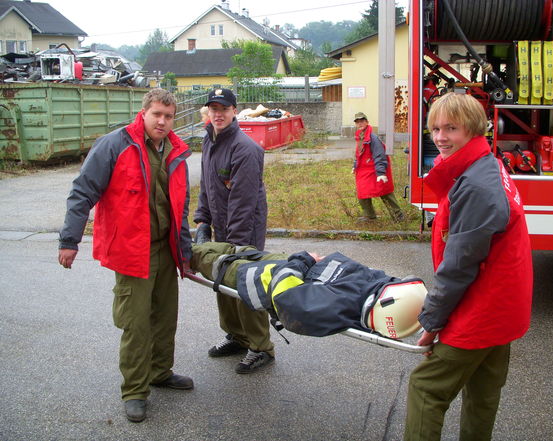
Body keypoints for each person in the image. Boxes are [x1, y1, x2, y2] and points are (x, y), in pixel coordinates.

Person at [57, 88, 194, 423]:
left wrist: (185, 253)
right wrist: (69, 240)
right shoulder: (115, 145)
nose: (162, 121)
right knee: (136, 324)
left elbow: (181, 207)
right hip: (133, 251)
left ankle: (160, 372)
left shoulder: (175, 150)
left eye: (168, 116)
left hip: (165, 248)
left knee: (165, 316)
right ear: (143, 112)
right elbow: (82, 191)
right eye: (157, 115)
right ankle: (134, 390)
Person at [403, 93, 533, 441]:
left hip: (483, 308)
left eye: (451, 128)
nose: (441, 137)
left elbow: (459, 266)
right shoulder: (486, 166)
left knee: (426, 388)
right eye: (435, 128)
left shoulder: (476, 184)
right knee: (483, 392)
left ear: (473, 129)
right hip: (504, 307)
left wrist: (432, 322)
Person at [188, 241, 426, 340]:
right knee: (234, 248)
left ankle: (180, 249)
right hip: (289, 263)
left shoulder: (332, 308)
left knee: (206, 258)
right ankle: (191, 242)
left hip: (262, 277)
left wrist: (303, 261)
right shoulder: (378, 285)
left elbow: (285, 296)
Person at [193, 88, 274, 374]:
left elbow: (244, 202)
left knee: (246, 285)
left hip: (244, 231)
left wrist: (236, 246)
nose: (218, 113)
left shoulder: (246, 149)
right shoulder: (209, 141)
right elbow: (207, 185)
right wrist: (202, 220)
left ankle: (261, 346)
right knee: (222, 282)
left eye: (223, 109)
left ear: (234, 111)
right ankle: (237, 336)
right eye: (213, 108)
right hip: (221, 227)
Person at [352, 112, 403, 222]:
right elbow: (358, 154)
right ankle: (369, 215)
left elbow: (379, 154)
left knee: (385, 192)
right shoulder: (360, 136)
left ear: (367, 122)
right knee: (362, 193)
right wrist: (355, 165)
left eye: (362, 121)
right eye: (358, 122)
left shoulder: (372, 137)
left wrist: (381, 173)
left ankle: (398, 216)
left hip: (375, 169)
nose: (360, 123)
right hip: (364, 170)